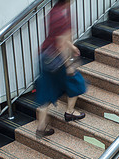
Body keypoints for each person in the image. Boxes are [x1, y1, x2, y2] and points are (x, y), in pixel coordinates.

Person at [35, 0, 86, 137]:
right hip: (56, 59)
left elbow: (57, 37)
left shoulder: (53, 12)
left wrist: (72, 46)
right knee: (75, 81)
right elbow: (61, 43)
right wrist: (68, 65)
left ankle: (40, 127)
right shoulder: (62, 16)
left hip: (44, 56)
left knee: (46, 90)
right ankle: (70, 112)